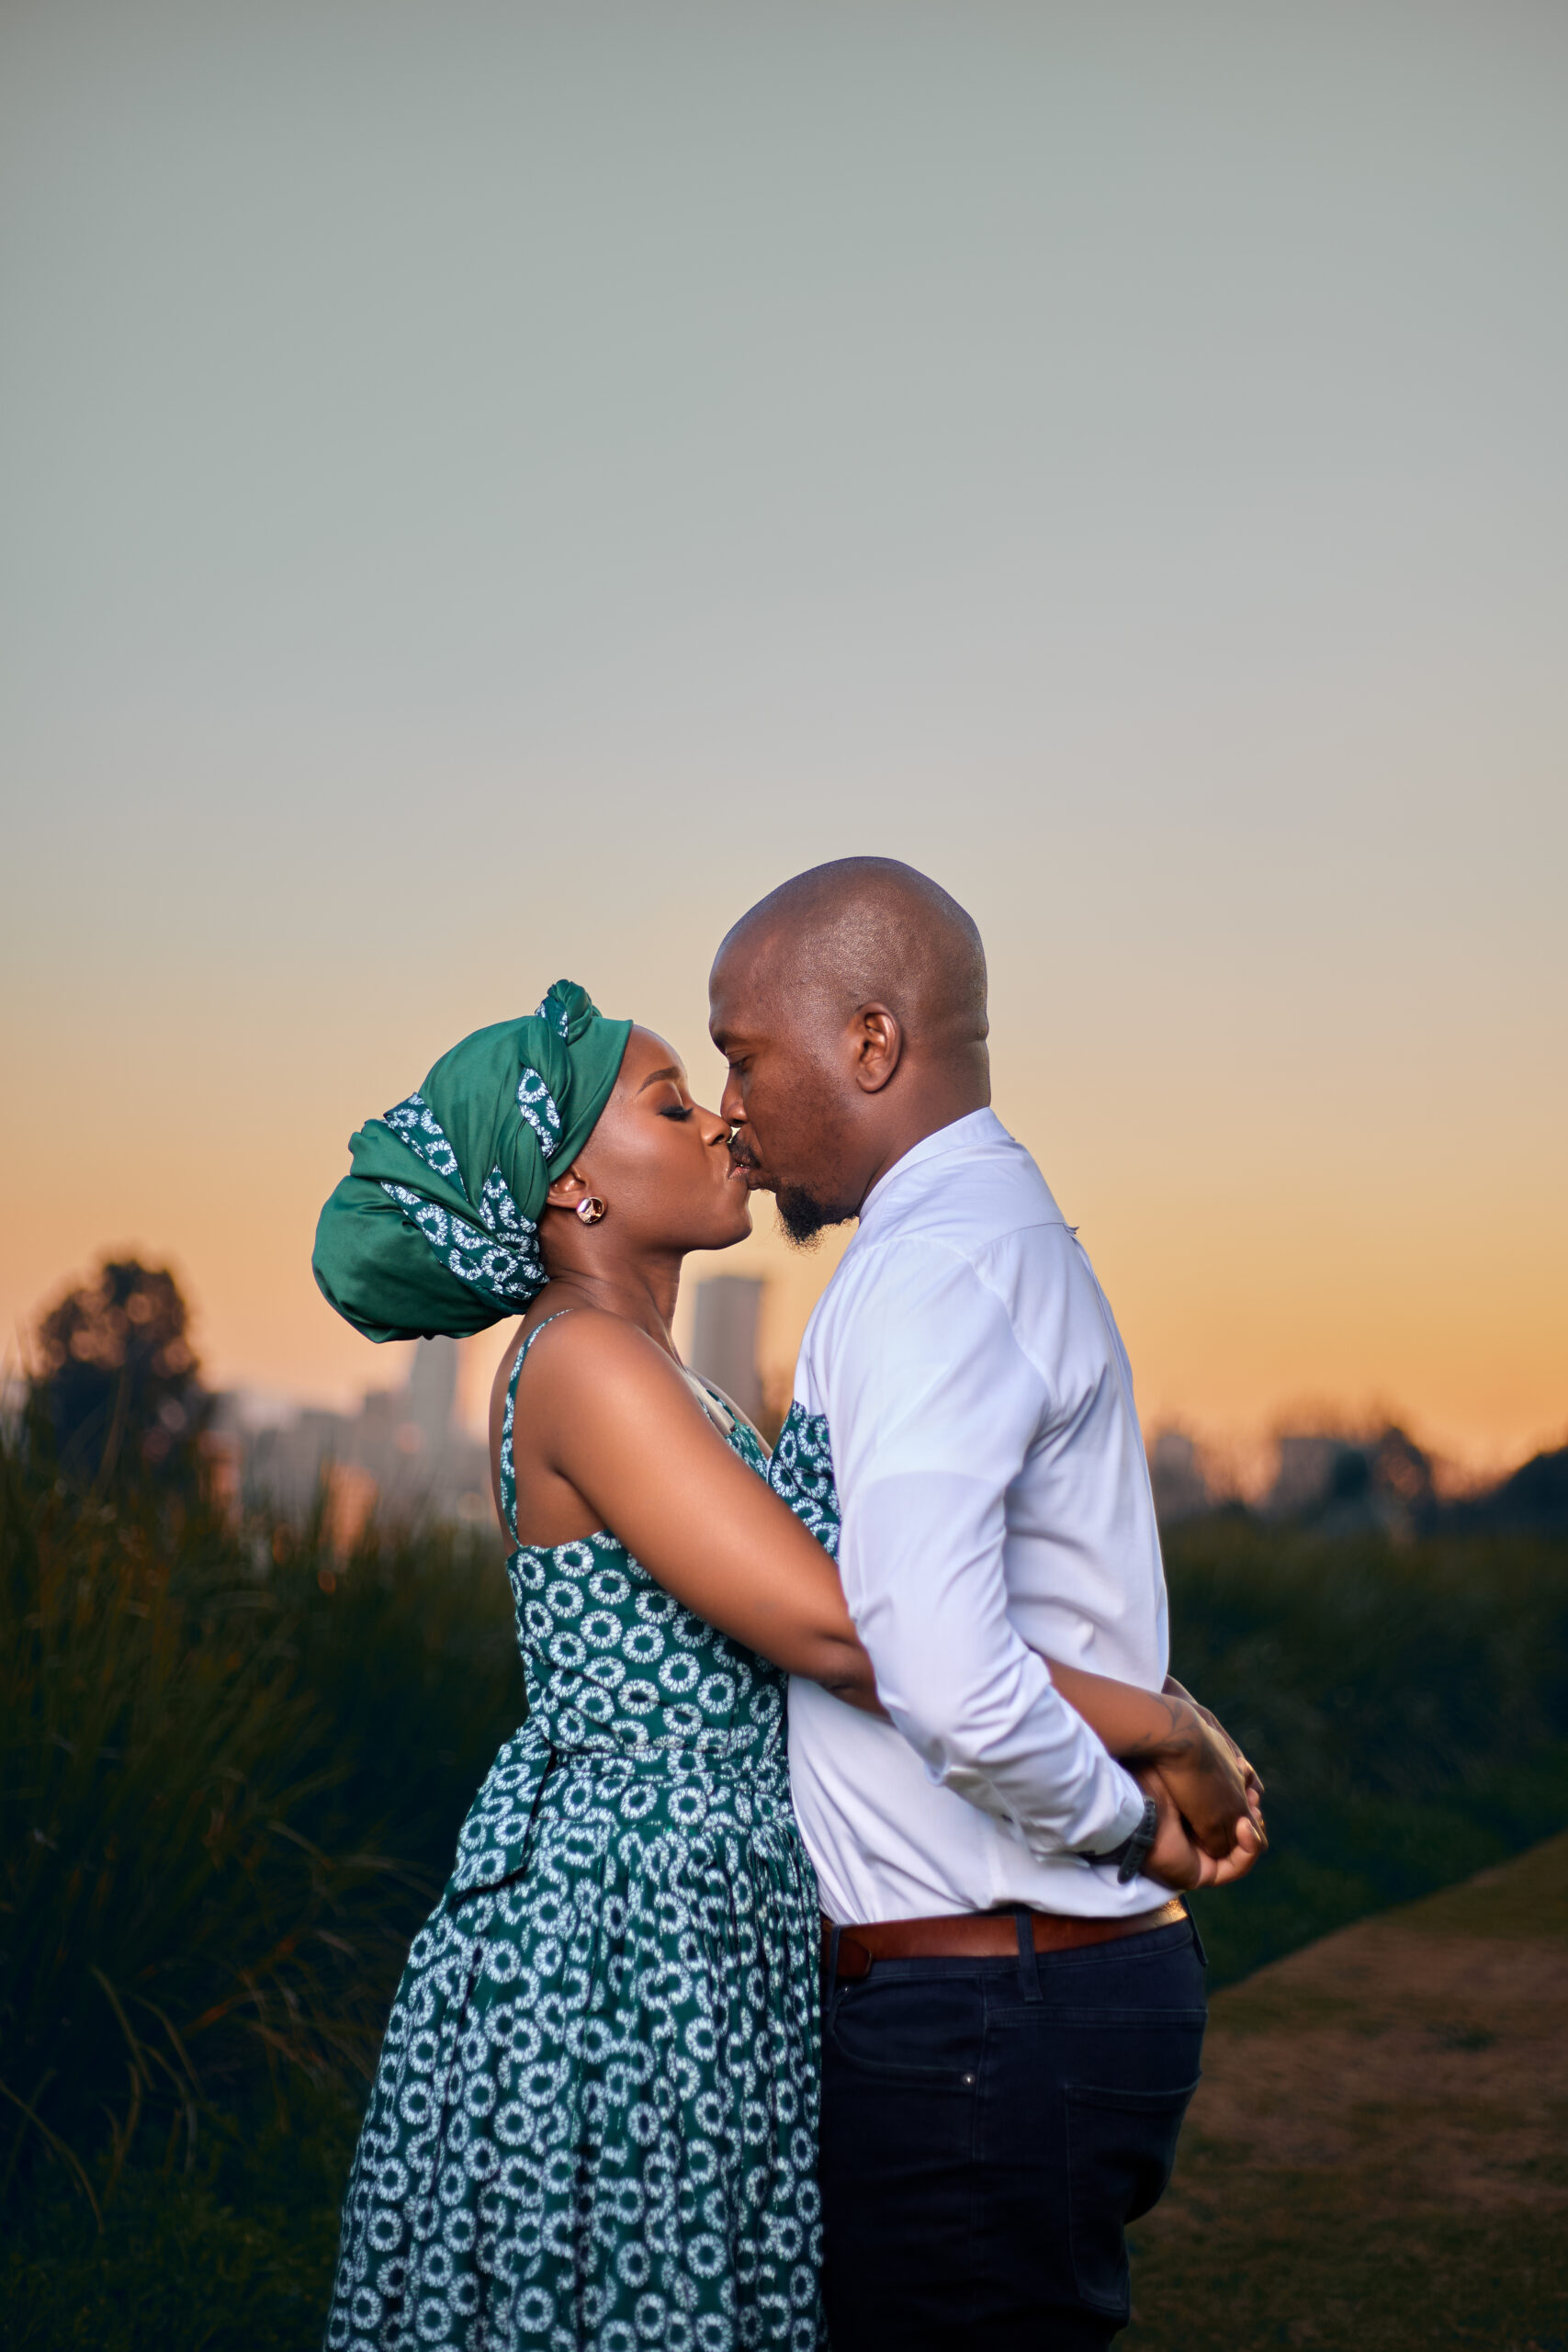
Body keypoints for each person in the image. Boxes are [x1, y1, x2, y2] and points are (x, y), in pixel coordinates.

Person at [312, 979, 1256, 2352]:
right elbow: (841, 1632)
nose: (719, 1121)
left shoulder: (651, 1370)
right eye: (669, 1104)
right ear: (572, 1184)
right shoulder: (585, 1363)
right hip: (628, 1928)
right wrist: (1158, 1727)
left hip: (707, 1907)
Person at [709, 858, 1263, 2350]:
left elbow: (939, 1671)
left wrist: (1128, 1826)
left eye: (744, 1055)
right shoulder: (967, 1239)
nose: (732, 1111)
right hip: (1001, 2003)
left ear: (872, 1042)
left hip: (985, 2016)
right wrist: (1162, 1737)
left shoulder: (936, 1266)